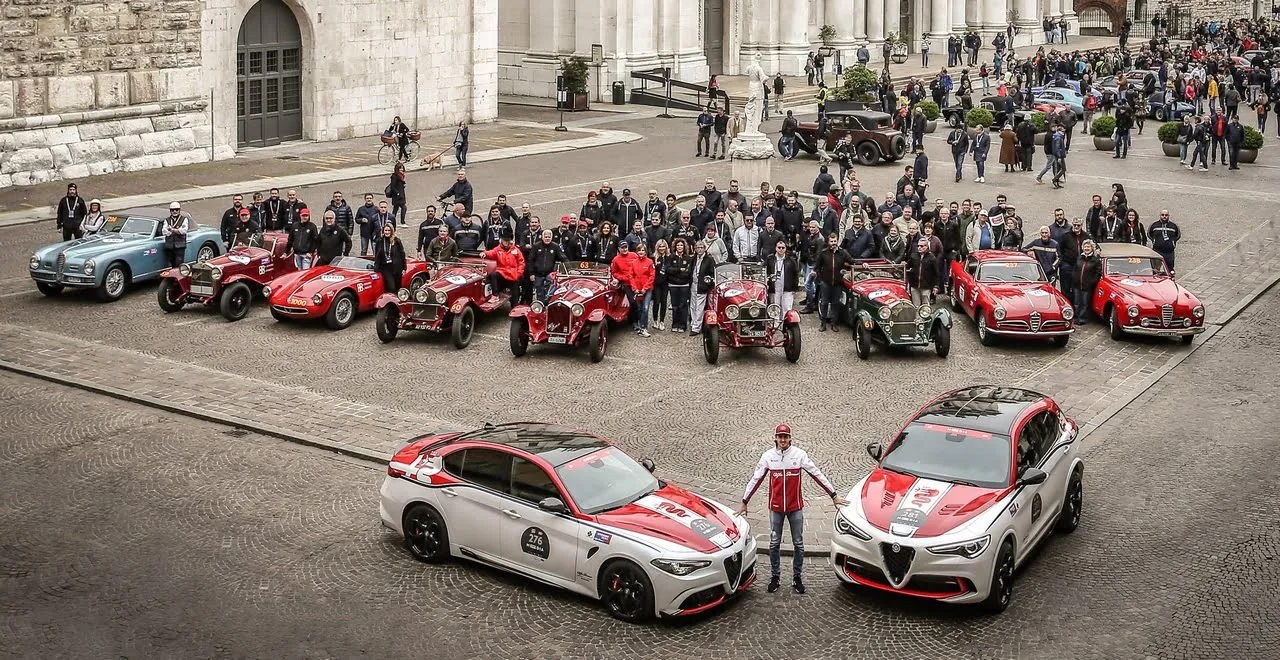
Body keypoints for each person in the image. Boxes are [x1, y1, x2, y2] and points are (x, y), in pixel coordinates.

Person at [737, 424, 845, 595]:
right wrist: (745, 501)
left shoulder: (799, 455)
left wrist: (834, 495)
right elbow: (755, 479)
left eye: (785, 437)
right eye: (780, 437)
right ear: (775, 438)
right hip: (776, 508)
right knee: (774, 544)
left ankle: (797, 578)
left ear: (790, 438)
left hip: (796, 508)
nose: (783, 440)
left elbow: (816, 474)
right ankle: (775, 577)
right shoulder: (768, 457)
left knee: (799, 544)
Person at [815, 233, 852, 332]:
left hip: (838, 283)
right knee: (824, 303)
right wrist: (821, 278)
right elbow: (817, 266)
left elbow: (852, 261)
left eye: (835, 241)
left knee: (836, 303)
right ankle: (823, 323)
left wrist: (863, 264)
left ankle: (834, 323)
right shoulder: (823, 253)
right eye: (831, 241)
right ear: (828, 242)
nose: (833, 243)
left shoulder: (843, 253)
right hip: (825, 282)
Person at [483, 227, 525, 300]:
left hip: (513, 275)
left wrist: (518, 274)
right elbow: (491, 253)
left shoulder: (516, 250)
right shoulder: (498, 249)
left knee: (515, 294)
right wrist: (484, 253)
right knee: (494, 275)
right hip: (502, 273)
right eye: (504, 240)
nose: (506, 242)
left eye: (507, 241)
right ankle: (495, 295)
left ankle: (514, 306)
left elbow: (521, 263)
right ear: (501, 241)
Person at [765, 240, 800, 318]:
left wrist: (795, 287)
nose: (781, 249)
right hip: (774, 289)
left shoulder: (791, 260)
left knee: (787, 309)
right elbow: (765, 272)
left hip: (787, 289)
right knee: (774, 309)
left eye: (783, 248)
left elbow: (795, 274)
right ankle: (774, 326)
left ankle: (786, 326)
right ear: (775, 248)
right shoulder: (770, 259)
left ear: (785, 249)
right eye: (779, 247)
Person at [666, 239, 694, 333]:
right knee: (675, 306)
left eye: (681, 245)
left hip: (684, 285)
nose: (679, 247)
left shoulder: (688, 258)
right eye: (678, 245)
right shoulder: (671, 257)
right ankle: (675, 324)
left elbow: (688, 273)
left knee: (683, 305)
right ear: (675, 247)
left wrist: (677, 272)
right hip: (673, 285)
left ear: (684, 247)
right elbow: (668, 270)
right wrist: (679, 270)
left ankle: (683, 325)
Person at [689, 241, 715, 335]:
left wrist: (707, 283)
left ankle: (697, 327)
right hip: (693, 284)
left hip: (702, 285)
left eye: (701, 247)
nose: (699, 249)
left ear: (704, 248)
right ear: (695, 249)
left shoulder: (709, 259)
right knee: (693, 305)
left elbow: (712, 273)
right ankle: (693, 322)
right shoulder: (694, 258)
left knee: (699, 306)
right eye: (697, 248)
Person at [372, 223, 406, 294]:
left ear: (391, 231)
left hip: (397, 267)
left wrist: (404, 267)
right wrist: (376, 267)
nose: (387, 232)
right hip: (386, 268)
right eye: (385, 230)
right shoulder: (380, 241)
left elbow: (402, 254)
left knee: (398, 287)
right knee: (391, 287)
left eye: (388, 230)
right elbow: (377, 256)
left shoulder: (397, 241)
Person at [1075, 240, 1102, 325]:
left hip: (1087, 286)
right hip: (1077, 284)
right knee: (1077, 302)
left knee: (1085, 303)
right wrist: (1074, 279)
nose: (1087, 248)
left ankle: (1082, 319)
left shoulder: (1095, 260)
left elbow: (1098, 273)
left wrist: (1091, 282)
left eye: (1088, 247)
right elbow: (1075, 269)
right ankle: (1078, 317)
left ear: (1092, 248)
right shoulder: (1079, 257)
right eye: (1085, 247)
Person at [906, 238, 939, 305]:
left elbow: (936, 273)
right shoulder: (913, 256)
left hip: (926, 286)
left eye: (921, 246)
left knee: (925, 306)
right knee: (915, 306)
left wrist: (936, 286)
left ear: (926, 247)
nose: (919, 248)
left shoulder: (932, 258)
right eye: (918, 246)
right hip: (914, 285)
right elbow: (908, 269)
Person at [161, 202, 191, 269]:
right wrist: (177, 231)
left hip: (180, 246)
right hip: (170, 246)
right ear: (170, 211)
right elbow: (164, 232)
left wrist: (172, 230)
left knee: (179, 264)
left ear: (179, 210)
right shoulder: (167, 220)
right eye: (172, 210)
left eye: (176, 210)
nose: (175, 211)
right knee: (172, 265)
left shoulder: (184, 219)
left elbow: (184, 231)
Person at [387, 163, 408, 227]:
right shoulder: (394, 176)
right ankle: (402, 222)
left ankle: (391, 221)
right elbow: (393, 186)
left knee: (395, 209)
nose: (401, 169)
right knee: (404, 208)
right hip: (397, 196)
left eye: (402, 168)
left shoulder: (401, 176)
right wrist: (397, 193)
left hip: (400, 194)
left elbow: (399, 185)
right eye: (400, 168)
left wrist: (403, 185)